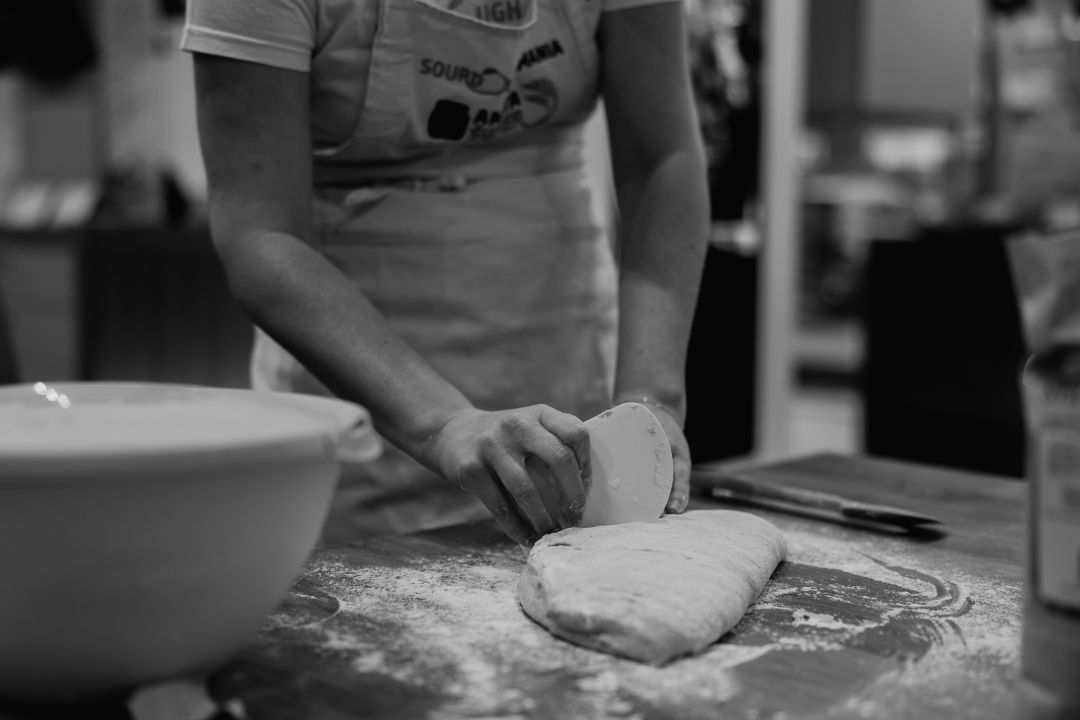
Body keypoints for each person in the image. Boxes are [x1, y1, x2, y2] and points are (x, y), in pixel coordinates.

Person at [182, 0, 709, 546]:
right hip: (359, 383)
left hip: (563, 346)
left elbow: (659, 162)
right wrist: (445, 423)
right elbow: (263, 235)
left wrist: (653, 396)